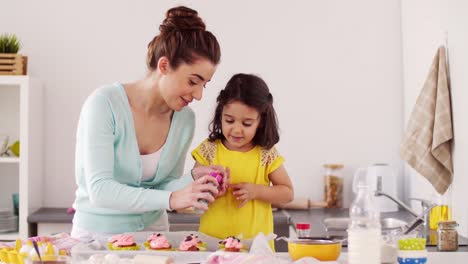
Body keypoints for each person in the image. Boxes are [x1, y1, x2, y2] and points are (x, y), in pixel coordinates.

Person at [71, 6, 227, 241]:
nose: (198, 95)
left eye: (203, 84)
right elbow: (100, 190)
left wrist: (193, 179)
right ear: (164, 66)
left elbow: (163, 186)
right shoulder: (104, 104)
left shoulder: (184, 119)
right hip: (96, 239)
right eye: (193, 81)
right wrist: (173, 199)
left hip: (154, 238)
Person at [191, 73, 294, 249]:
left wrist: (257, 191)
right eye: (229, 120)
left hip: (255, 247)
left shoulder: (266, 154)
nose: (236, 130)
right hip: (212, 244)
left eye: (247, 123)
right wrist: (211, 188)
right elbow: (193, 189)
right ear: (220, 115)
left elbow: (287, 193)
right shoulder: (209, 149)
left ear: (260, 121)